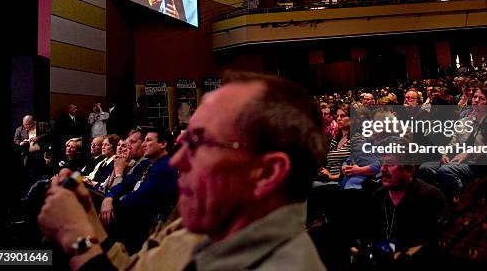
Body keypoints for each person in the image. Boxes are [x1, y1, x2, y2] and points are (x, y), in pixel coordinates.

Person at [38, 72, 327, 270]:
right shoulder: (207, 221)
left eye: (199, 143)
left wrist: (76, 237)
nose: (177, 162)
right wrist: (88, 216)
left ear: (266, 173)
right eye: (183, 142)